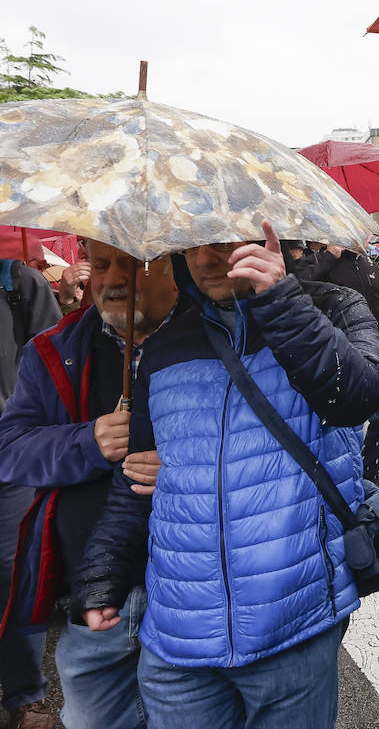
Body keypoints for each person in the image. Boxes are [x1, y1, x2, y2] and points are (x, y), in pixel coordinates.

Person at [72, 223, 379, 729]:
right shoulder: (163, 347)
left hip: (292, 623)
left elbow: (360, 397)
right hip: (178, 639)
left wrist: (282, 303)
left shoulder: (332, 307)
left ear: (272, 235)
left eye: (227, 238)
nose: (209, 257)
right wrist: (102, 575)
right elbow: (136, 480)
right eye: (196, 243)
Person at [0, 241, 180, 729]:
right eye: (101, 265)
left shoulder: (214, 341)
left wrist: (189, 469)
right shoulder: (53, 351)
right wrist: (86, 441)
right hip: (98, 596)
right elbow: (11, 448)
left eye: (133, 264)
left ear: (173, 270)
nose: (114, 279)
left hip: (192, 592)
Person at [0, 257, 62, 729]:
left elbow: (54, 360)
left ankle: (25, 693)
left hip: (9, 462)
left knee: (13, 572)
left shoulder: (17, 281)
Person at [293, 242, 379, 492]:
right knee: (343, 430)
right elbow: (294, 283)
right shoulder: (319, 259)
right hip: (332, 358)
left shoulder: (369, 264)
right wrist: (328, 256)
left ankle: (369, 472)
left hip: (370, 355)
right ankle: (348, 480)